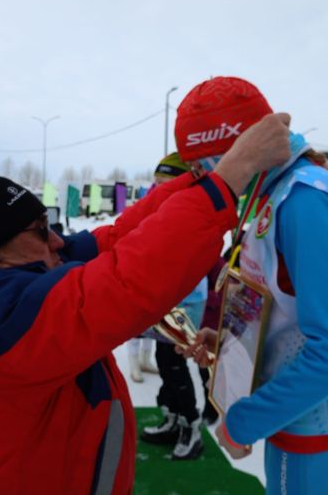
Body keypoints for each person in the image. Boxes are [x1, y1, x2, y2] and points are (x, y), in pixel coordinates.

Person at [0, 114, 291, 495]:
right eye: (41, 231)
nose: (59, 241)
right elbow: (123, 281)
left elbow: (112, 240)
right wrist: (229, 177)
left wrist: (196, 182)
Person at [175, 76, 328, 495]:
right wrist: (233, 342)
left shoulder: (304, 202)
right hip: (300, 419)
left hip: (321, 431)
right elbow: (288, 308)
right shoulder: (278, 192)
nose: (201, 178)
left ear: (233, 148)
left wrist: (244, 421)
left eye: (201, 164)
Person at [140, 152, 208, 460]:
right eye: (156, 183)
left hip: (185, 300)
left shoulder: (191, 210)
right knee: (164, 359)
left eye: (166, 183)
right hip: (163, 298)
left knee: (176, 362)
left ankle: (190, 426)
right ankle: (173, 416)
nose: (159, 189)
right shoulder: (159, 207)